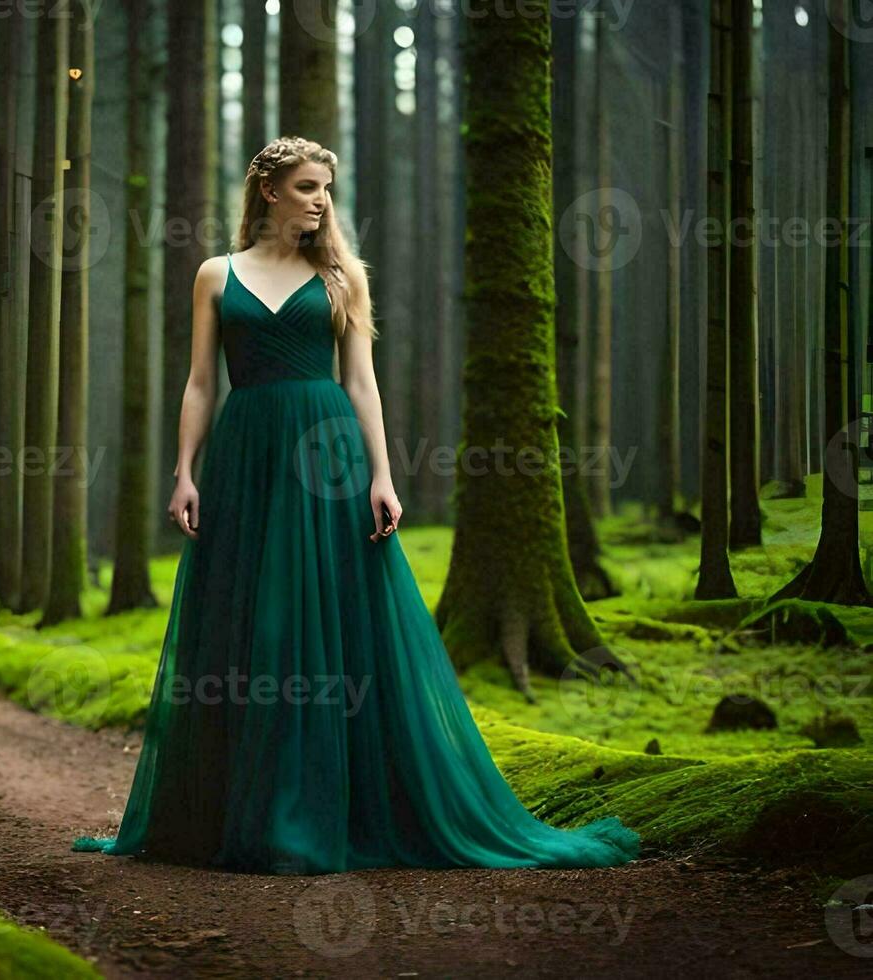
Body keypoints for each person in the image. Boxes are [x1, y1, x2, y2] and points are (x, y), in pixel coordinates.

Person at [73, 136, 639, 875]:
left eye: (326, 189)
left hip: (328, 458)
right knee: (250, 619)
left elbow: (361, 383)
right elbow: (201, 383)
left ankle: (329, 811)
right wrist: (185, 471)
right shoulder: (217, 274)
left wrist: (383, 475)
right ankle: (232, 813)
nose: (321, 200)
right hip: (245, 456)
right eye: (307, 186)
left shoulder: (343, 277)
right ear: (269, 191)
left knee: (332, 622)